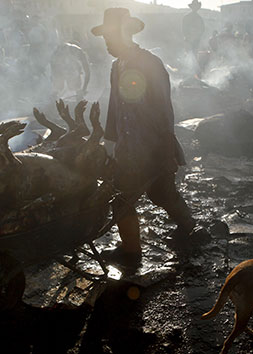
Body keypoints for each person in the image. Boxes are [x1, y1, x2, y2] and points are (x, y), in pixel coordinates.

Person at [91, 8, 198, 267]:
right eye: (105, 38)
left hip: (152, 147)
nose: (106, 43)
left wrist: (166, 152)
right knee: (162, 192)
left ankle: (132, 253)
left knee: (122, 202)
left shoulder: (150, 64)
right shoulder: (117, 68)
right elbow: (114, 108)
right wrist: (110, 145)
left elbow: (164, 111)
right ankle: (191, 229)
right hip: (129, 150)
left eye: (110, 37)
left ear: (126, 34)